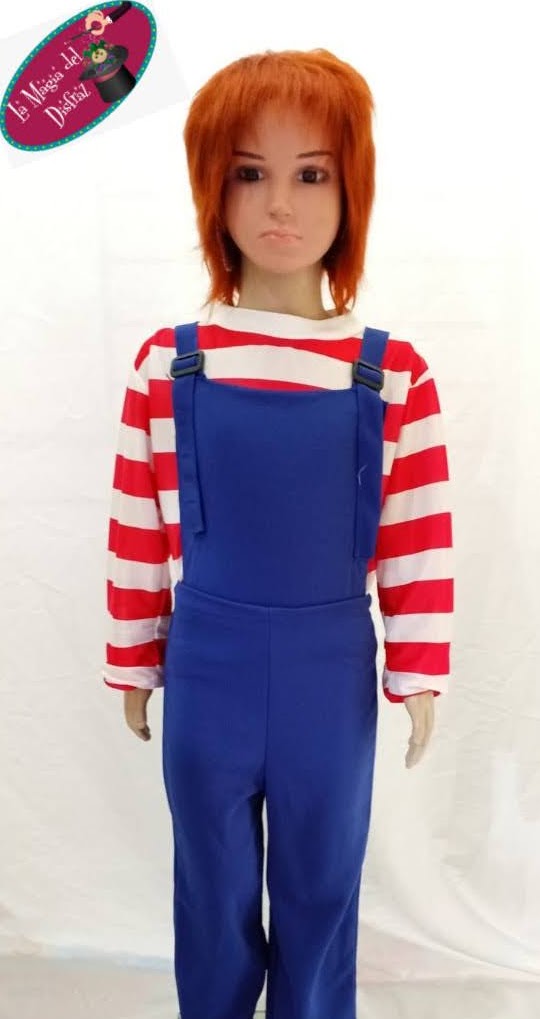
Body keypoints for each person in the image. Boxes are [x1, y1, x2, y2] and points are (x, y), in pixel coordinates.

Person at [103, 48, 453, 1019]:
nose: (280, 204)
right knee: (209, 893)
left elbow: (418, 535)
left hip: (326, 673)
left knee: (321, 888)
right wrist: (132, 660)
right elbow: (138, 527)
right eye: (250, 171)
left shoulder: (393, 371)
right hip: (205, 665)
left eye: (312, 173)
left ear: (353, 189)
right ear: (212, 188)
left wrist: (418, 673)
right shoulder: (168, 363)